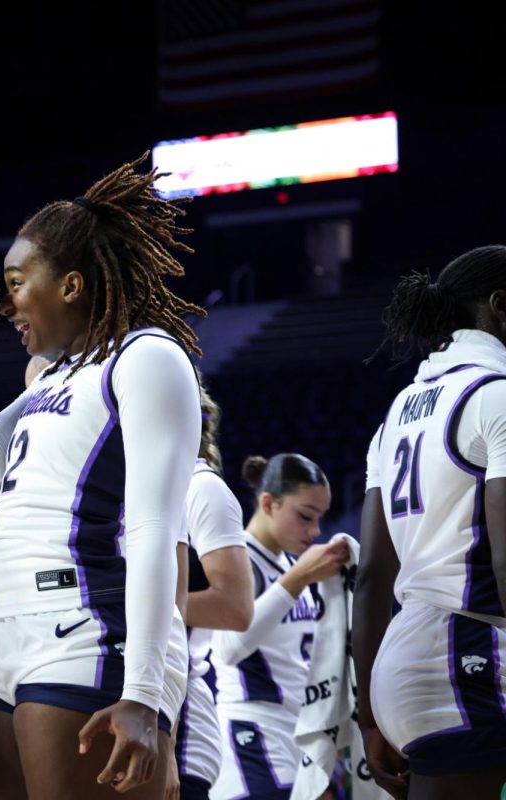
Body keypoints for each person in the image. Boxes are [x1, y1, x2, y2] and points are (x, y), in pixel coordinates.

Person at [0, 154, 203, 798]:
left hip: (87, 629)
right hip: (5, 642)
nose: (6, 303)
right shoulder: (51, 378)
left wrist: (142, 690)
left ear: (72, 286)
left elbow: (152, 528)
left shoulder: (147, 357)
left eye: (17, 282)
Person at [354, 245, 506, 800]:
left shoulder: (396, 412)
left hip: (401, 663)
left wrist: (369, 715)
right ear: (499, 306)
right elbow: (505, 558)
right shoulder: (495, 396)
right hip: (466, 655)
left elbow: (371, 576)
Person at [208, 454, 346, 800]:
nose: (314, 531)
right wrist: (296, 580)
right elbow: (227, 650)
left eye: (319, 519)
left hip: (296, 732)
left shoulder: (292, 565)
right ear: (268, 503)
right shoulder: (238, 559)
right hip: (252, 729)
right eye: (305, 517)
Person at [171, 387, 254, 800]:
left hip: (181, 721)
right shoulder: (137, 487)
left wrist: (136, 608)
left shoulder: (201, 488)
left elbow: (236, 608)